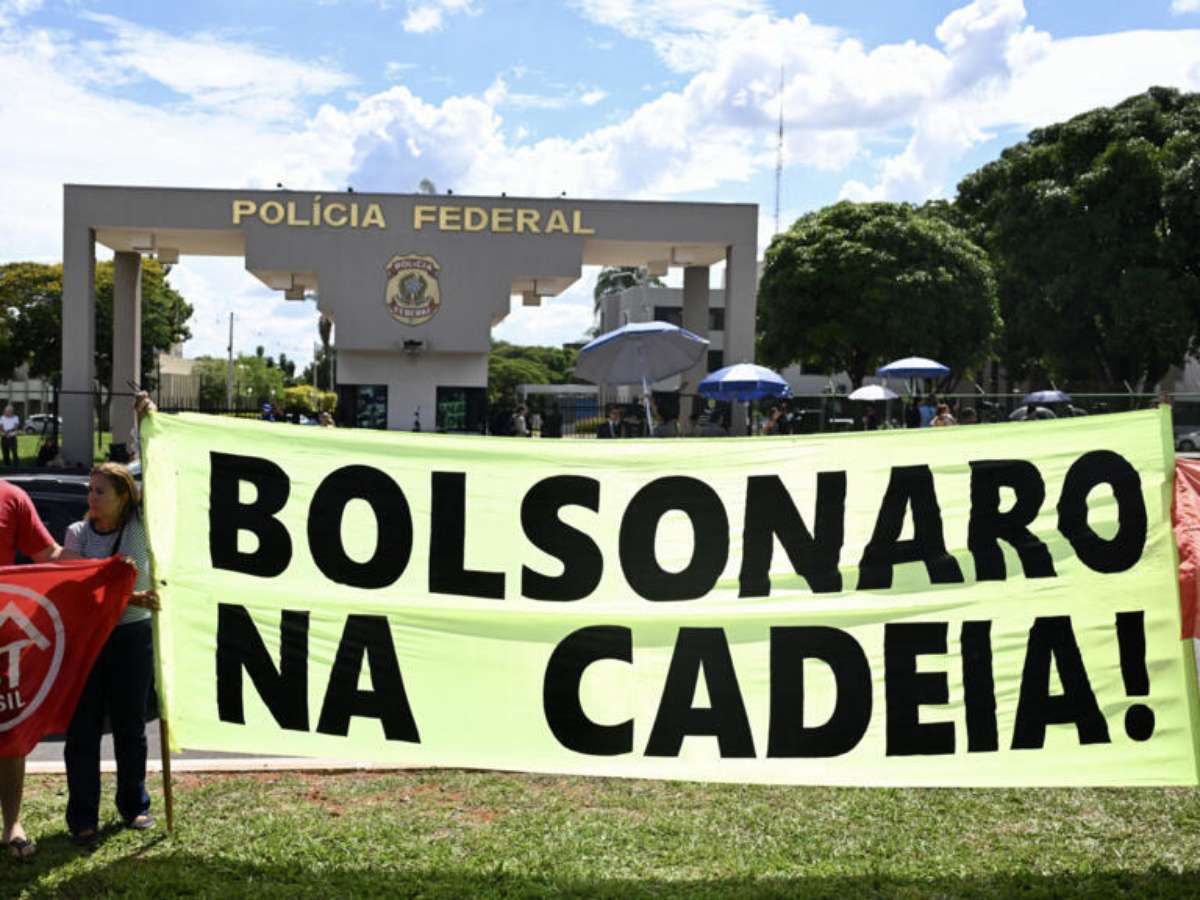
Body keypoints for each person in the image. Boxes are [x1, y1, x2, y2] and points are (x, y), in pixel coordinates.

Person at [63, 462, 160, 848]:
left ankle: (134, 806)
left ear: (124, 497)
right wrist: (131, 596)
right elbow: (78, 588)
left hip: (132, 638)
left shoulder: (140, 526)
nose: (92, 497)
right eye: (90, 490)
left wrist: (146, 430)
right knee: (82, 730)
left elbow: (162, 477)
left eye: (101, 491)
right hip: (88, 641)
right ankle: (83, 818)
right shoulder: (76, 534)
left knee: (130, 726)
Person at [0, 480, 75, 858]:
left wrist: (103, 560)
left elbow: (49, 554)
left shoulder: (11, 497)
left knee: (9, 727)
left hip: (4, 631)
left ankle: (11, 824)